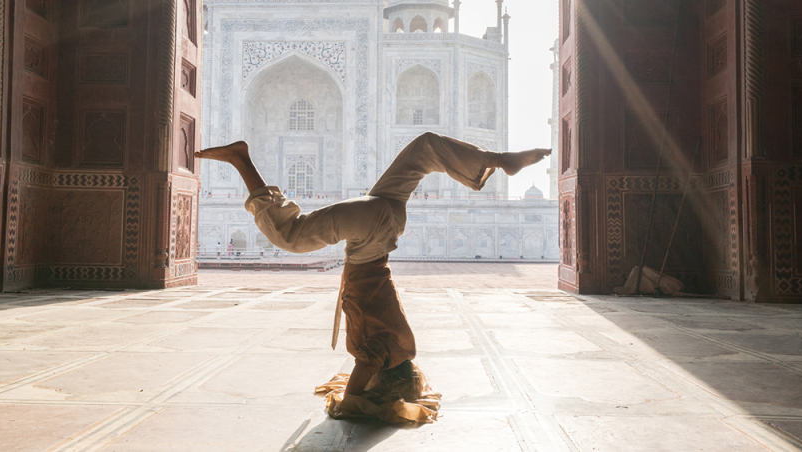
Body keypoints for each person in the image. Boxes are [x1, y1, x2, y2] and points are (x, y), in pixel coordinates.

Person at [196, 132, 549, 423]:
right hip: (372, 232)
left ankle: (495, 160)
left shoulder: (402, 344)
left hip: (389, 214)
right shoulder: (381, 351)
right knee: (291, 234)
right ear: (386, 381)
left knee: (422, 150)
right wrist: (356, 401)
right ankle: (241, 159)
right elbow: (358, 385)